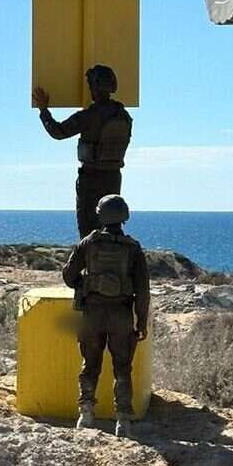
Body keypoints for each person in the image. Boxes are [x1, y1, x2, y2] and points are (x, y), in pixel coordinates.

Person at [61, 193, 150, 437]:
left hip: (93, 313)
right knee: (122, 367)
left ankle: (86, 414)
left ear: (101, 214)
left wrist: (84, 285)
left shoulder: (89, 243)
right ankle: (123, 420)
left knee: (90, 364)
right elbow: (142, 290)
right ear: (125, 217)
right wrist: (141, 321)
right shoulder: (133, 248)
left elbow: (68, 276)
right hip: (121, 315)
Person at [33, 64, 133, 238]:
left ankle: (91, 263)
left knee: (89, 233)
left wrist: (44, 110)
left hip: (91, 180)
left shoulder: (90, 116)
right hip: (113, 177)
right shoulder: (123, 115)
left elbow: (57, 132)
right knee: (111, 227)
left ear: (94, 87)